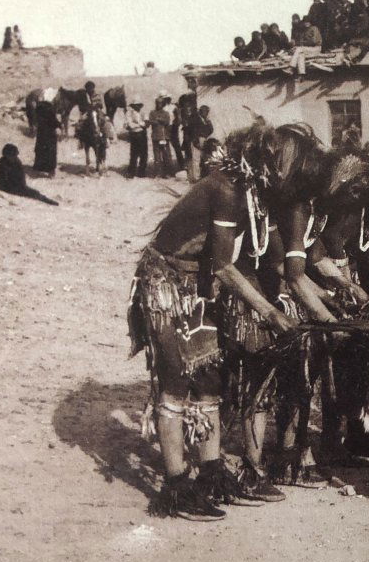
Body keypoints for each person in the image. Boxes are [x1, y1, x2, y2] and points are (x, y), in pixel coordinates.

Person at [128, 123, 303, 520]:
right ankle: (176, 486)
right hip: (166, 283)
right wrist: (269, 310)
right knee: (175, 380)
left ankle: (210, 474)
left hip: (199, 284)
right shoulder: (226, 188)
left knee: (209, 379)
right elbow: (224, 264)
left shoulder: (252, 194)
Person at [31, 88, 59, 177]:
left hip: (41, 133)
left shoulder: (39, 108)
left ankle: (39, 168)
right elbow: (53, 121)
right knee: (51, 152)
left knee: (40, 150)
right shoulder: (50, 108)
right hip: (50, 134)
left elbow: (35, 119)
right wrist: (59, 125)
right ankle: (51, 170)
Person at [183, 104, 214, 182]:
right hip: (196, 140)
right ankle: (196, 177)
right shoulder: (195, 119)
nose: (207, 113)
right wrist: (195, 141)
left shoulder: (205, 120)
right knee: (196, 159)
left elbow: (210, 130)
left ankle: (203, 175)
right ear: (201, 112)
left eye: (207, 112)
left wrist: (208, 123)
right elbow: (193, 132)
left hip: (203, 139)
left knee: (204, 158)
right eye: (205, 112)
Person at [149, 93, 176, 178]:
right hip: (156, 137)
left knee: (166, 155)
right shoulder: (152, 112)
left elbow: (167, 122)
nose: (158, 105)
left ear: (163, 104)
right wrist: (160, 121)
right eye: (157, 103)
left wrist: (159, 120)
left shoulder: (166, 113)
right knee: (157, 157)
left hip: (164, 137)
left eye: (160, 103)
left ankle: (167, 173)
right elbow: (151, 121)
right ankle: (158, 173)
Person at [123, 96, 149, 178]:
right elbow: (130, 125)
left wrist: (138, 125)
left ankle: (142, 172)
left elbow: (147, 123)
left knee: (144, 154)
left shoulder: (143, 112)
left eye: (139, 104)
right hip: (134, 135)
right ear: (133, 105)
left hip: (142, 134)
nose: (138, 106)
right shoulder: (129, 113)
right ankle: (131, 172)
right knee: (134, 154)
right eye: (136, 105)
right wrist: (140, 124)